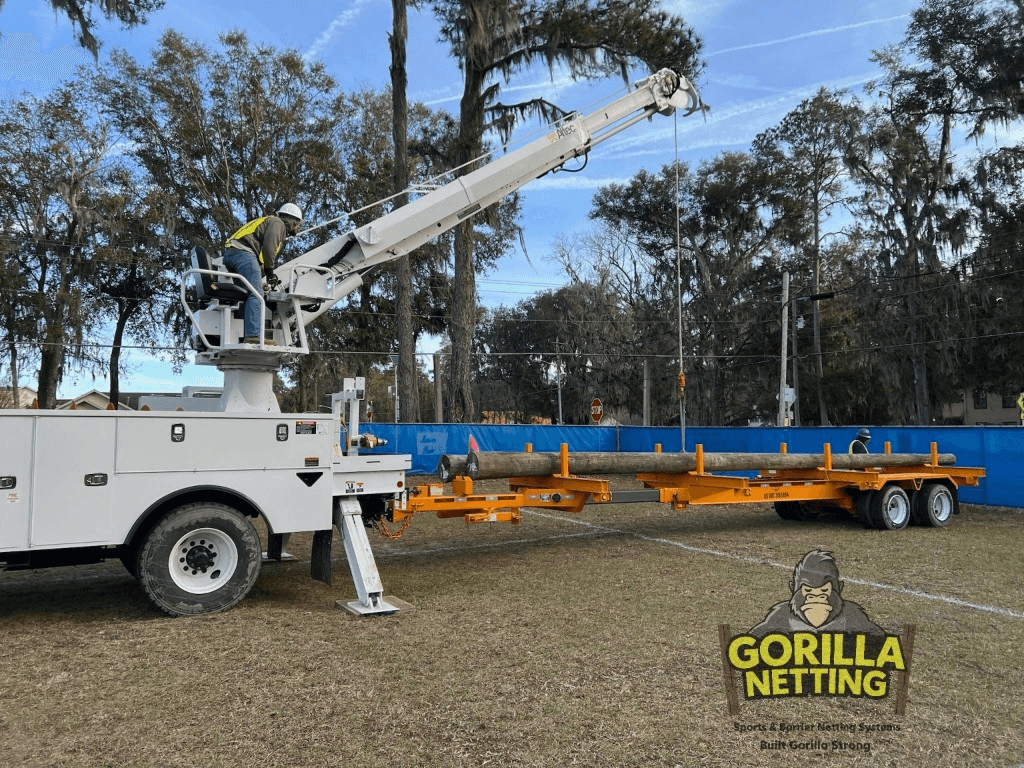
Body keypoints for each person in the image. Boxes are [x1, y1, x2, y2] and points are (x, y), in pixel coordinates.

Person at [222, 203, 303, 343]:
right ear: (292, 221)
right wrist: (270, 272)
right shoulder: (278, 223)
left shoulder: (269, 221)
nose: (298, 227)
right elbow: (269, 247)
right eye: (298, 224)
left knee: (246, 295)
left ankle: (243, 334)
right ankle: (254, 335)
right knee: (256, 294)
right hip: (244, 253)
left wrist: (263, 273)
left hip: (233, 253)